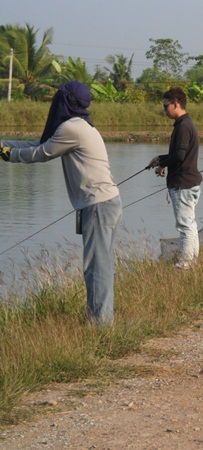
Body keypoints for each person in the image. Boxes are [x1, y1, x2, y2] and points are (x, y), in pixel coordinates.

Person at [0, 81, 122, 326]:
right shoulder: (79, 125)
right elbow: (38, 143)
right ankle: (101, 320)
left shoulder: (72, 128)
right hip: (102, 203)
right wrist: (4, 142)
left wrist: (7, 154)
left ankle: (99, 325)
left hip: (98, 205)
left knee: (96, 266)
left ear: (66, 102)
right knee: (101, 264)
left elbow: (41, 153)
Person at [148, 87, 202, 271]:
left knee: (185, 226)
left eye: (166, 106)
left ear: (176, 104)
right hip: (189, 182)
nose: (165, 110)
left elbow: (179, 156)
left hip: (182, 184)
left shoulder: (183, 126)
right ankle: (191, 261)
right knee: (190, 224)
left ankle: (184, 265)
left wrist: (163, 164)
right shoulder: (185, 124)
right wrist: (161, 159)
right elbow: (179, 153)